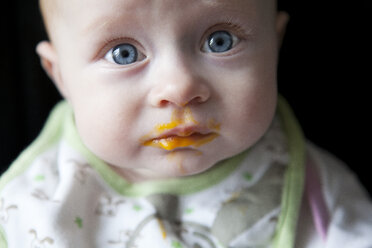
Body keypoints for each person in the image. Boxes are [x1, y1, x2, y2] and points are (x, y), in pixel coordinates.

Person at [0, 0, 371, 247]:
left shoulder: (317, 193)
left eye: (220, 41)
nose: (179, 88)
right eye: (123, 53)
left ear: (275, 46)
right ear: (61, 76)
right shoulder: (34, 207)